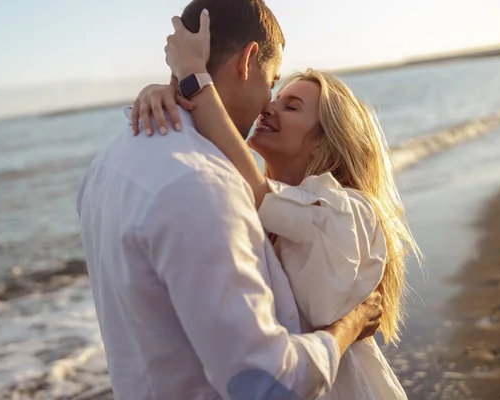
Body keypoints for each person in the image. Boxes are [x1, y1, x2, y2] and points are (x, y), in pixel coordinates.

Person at [76, 0, 383, 399]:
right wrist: (349, 326)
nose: (267, 106)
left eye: (288, 103)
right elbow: (269, 385)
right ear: (248, 60)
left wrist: (183, 84)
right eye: (272, 83)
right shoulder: (203, 183)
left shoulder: (103, 168)